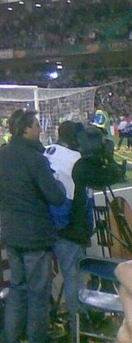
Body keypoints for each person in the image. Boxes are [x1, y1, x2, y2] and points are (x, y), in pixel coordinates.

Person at [0, 108, 65, 343]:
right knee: (38, 294)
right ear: (26, 129)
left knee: (17, 290)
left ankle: (10, 338)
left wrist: (12, 207)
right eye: (37, 125)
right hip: (35, 237)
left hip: (11, 233)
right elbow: (56, 197)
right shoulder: (36, 159)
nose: (40, 129)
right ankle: (36, 338)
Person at [44, 121, 125, 338]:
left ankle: (58, 322)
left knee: (50, 279)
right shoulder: (75, 160)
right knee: (75, 278)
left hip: (47, 223)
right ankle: (77, 323)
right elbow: (106, 178)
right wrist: (109, 160)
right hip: (69, 225)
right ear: (76, 139)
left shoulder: (48, 151)